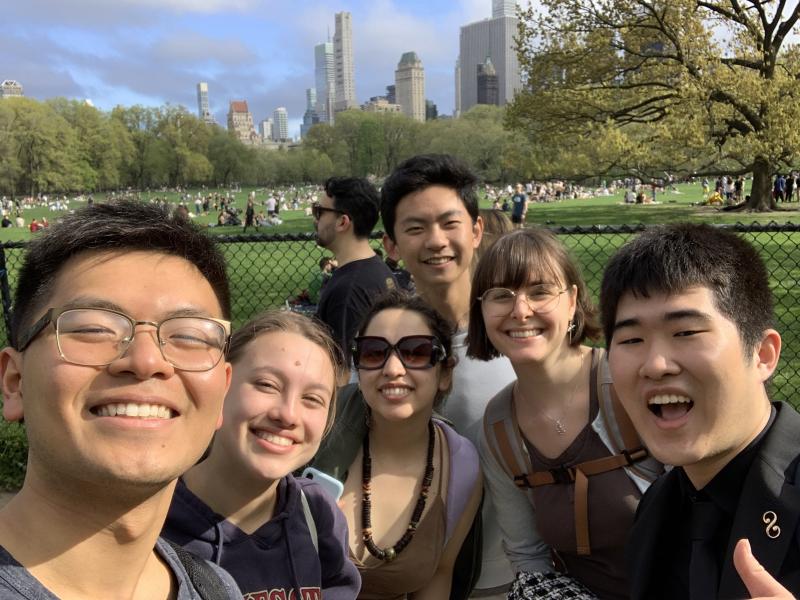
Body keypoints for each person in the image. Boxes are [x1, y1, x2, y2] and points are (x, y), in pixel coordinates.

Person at [0, 200, 240, 598]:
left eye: (190, 336)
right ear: (14, 381)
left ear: (222, 392)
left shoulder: (217, 588)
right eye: (93, 328)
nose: (146, 361)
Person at [600, 223, 800, 599]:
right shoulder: (657, 507)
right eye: (631, 340)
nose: (656, 364)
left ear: (762, 354)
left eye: (686, 332)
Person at [466, 228, 662, 599]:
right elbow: (529, 559)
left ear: (571, 301)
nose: (520, 310)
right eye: (500, 296)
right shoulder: (499, 426)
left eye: (539, 291)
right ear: (482, 309)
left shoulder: (625, 382)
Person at [381, 154, 517, 597]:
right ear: (392, 246)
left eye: (449, 223)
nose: (436, 241)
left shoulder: (521, 335)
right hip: (413, 574)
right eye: (416, 228)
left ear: (476, 231)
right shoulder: (381, 352)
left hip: (512, 573)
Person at [163, 310, 361, 599]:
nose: (288, 414)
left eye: (312, 399)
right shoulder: (151, 522)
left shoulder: (318, 516)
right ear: (221, 385)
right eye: (267, 385)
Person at [330, 291, 483, 599]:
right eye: (374, 352)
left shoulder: (461, 465)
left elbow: (438, 575)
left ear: (445, 373)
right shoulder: (318, 442)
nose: (393, 369)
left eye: (415, 351)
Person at [314, 177, 396, 361]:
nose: (315, 218)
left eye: (319, 211)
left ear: (342, 222)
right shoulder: (377, 270)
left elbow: (341, 371)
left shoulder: (348, 291)